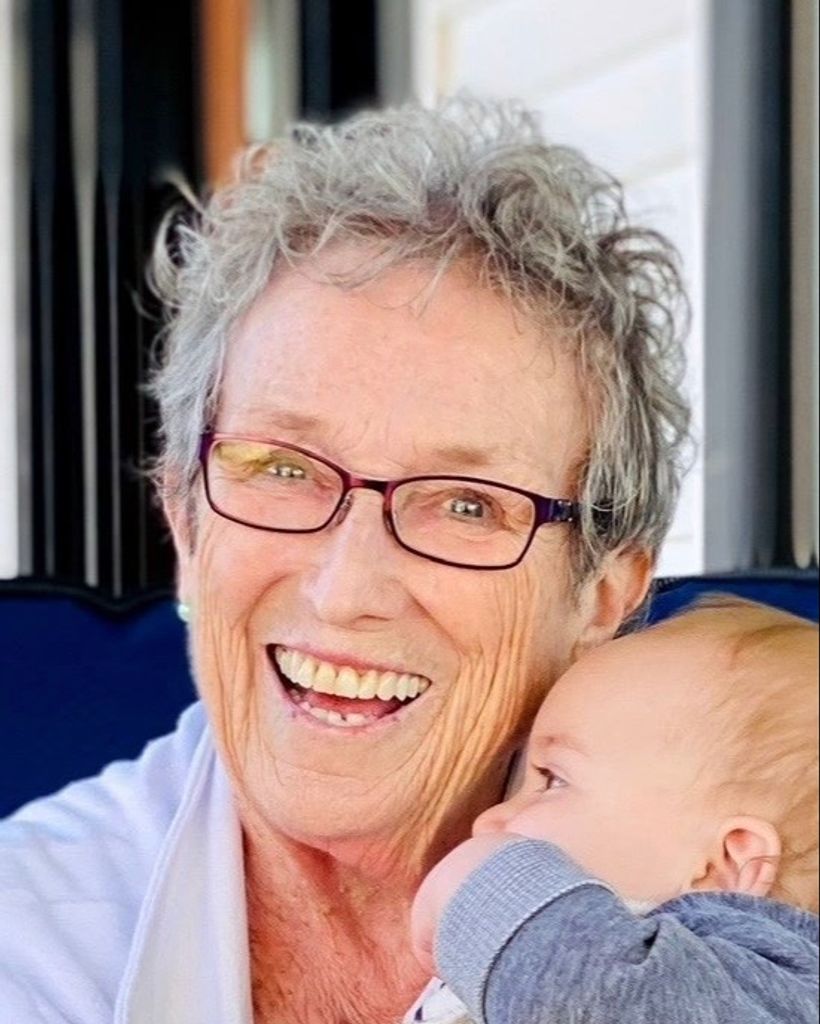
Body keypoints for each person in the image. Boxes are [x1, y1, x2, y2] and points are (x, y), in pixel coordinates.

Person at [0, 98, 691, 1023]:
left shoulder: (744, 916)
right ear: (185, 524)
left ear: (603, 597)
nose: (344, 590)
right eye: (283, 470)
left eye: (466, 503)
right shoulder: (26, 943)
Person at [411, 597, 819, 1024]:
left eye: (552, 779)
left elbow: (592, 998)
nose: (489, 820)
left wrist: (491, 887)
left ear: (724, 864)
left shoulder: (759, 994)